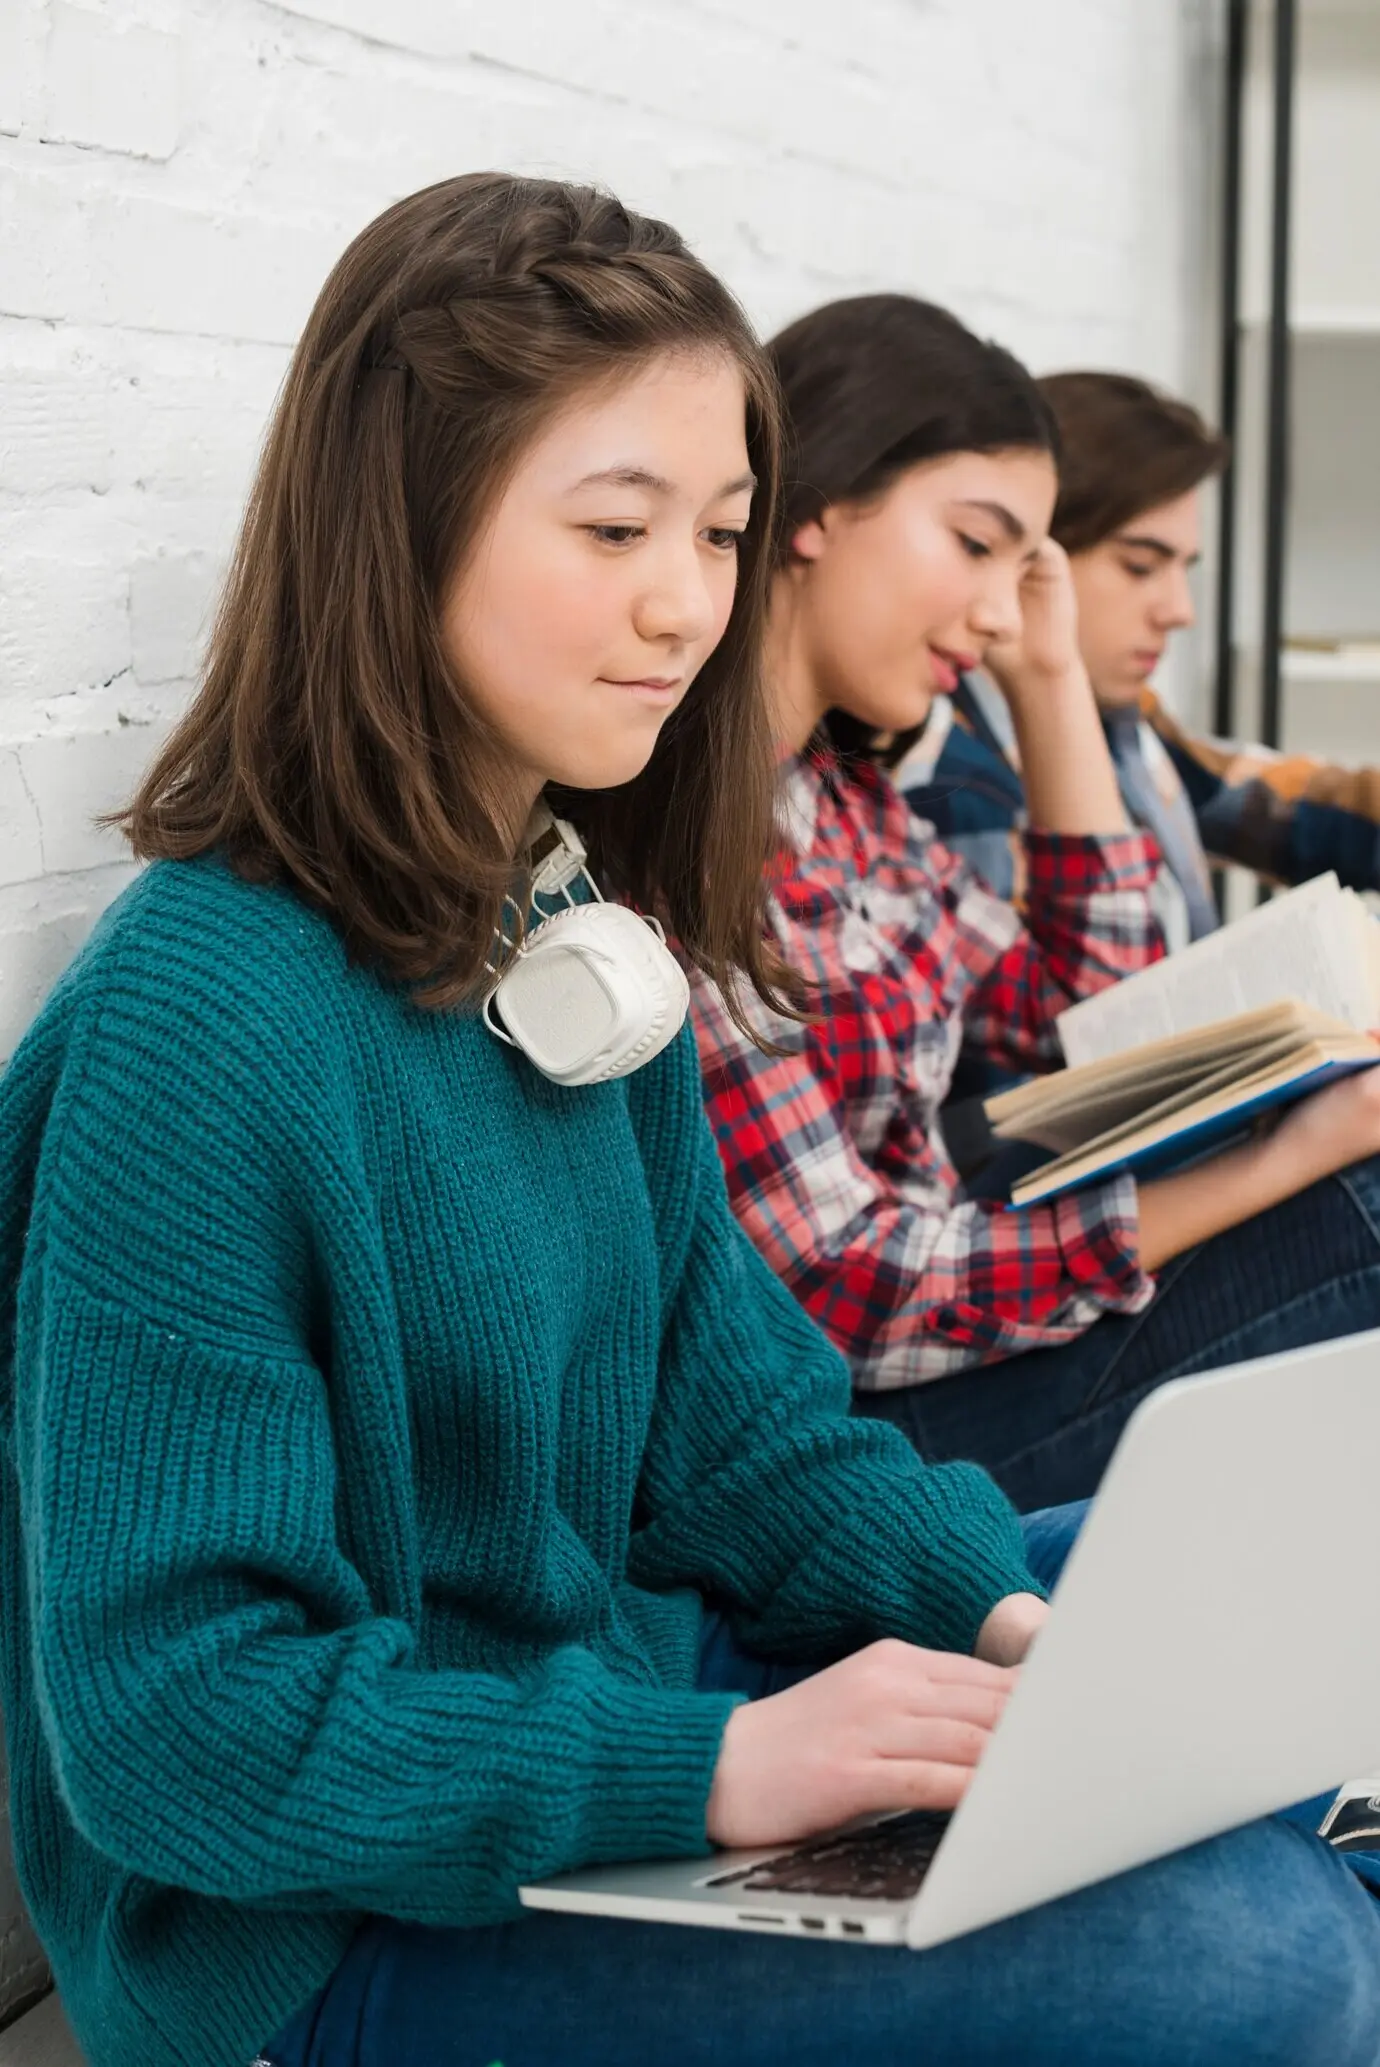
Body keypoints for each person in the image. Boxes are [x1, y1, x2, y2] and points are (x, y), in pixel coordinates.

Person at [2, 177, 1377, 2067]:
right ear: (398, 527)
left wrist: (994, 1618)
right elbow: (180, 1735)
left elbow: (750, 1440)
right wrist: (721, 1762)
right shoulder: (199, 1024)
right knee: (1266, 1957)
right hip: (331, 1930)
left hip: (606, 1709)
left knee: (1278, 1636)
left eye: (721, 531)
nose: (686, 604)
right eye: (615, 527)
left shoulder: (569, 923)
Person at [685, 292, 1380, 1509]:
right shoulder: (690, 833)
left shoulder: (845, 805)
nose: (1005, 613)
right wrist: (1279, 1165)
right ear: (821, 503)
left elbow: (1100, 1023)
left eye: (1030, 570)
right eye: (975, 544)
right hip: (848, 1428)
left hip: (941, 1315)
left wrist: (1051, 676)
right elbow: (840, 1289)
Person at [900, 370, 1380, 955]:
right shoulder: (951, 777)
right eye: (1140, 567)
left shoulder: (1126, 721)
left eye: (1184, 569)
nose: (1180, 612)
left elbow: (1283, 809)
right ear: (1032, 557)